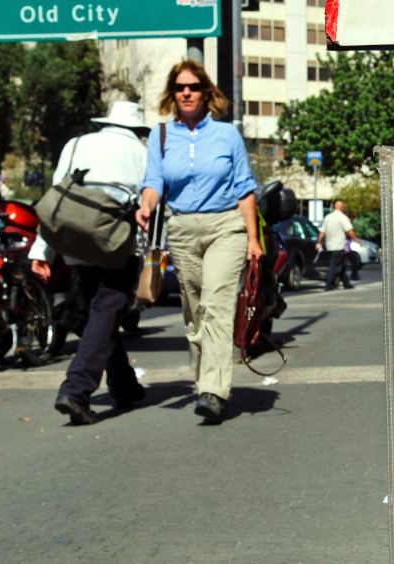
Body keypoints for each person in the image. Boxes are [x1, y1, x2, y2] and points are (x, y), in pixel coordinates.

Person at [136, 59, 263, 424]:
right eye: (180, 87)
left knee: (216, 306)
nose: (186, 92)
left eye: (193, 86)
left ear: (207, 92)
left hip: (225, 226)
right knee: (194, 314)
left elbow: (244, 188)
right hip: (181, 229)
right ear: (173, 94)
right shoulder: (160, 136)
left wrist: (253, 238)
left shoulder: (227, 135)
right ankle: (204, 381)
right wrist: (146, 206)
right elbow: (154, 182)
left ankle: (214, 390)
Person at [29, 101, 150, 426]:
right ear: (137, 129)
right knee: (106, 308)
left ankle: (125, 386)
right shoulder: (142, 153)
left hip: (74, 242)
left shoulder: (77, 143)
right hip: (114, 244)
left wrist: (43, 252)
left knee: (99, 313)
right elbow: (150, 206)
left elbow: (56, 201)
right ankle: (76, 390)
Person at [316, 199, 360, 291]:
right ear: (341, 207)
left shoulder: (327, 217)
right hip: (339, 246)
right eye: (344, 206)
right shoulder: (343, 217)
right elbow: (349, 231)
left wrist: (319, 242)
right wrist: (356, 239)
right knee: (334, 266)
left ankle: (346, 283)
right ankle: (328, 284)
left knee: (341, 264)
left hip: (329, 246)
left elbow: (322, 232)